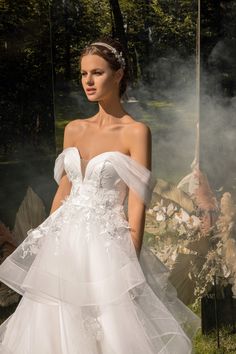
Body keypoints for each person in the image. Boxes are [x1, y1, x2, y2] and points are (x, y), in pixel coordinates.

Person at [0, 37, 200, 353]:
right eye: (83, 74)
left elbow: (137, 201)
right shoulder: (74, 129)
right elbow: (64, 190)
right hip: (64, 242)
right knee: (54, 322)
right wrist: (44, 241)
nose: (88, 81)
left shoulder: (136, 132)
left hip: (105, 244)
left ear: (118, 74)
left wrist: (130, 262)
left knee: (110, 328)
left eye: (97, 72)